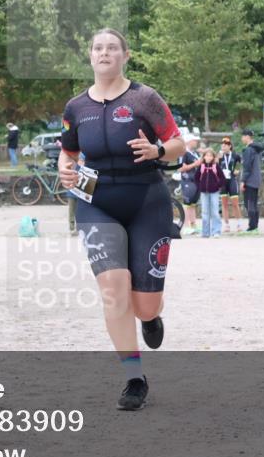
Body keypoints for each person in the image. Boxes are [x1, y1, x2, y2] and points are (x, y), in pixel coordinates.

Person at [57, 28, 185, 411]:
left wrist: (158, 149)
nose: (104, 53)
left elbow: (178, 142)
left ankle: (150, 318)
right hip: (96, 202)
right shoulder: (76, 107)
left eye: (112, 48)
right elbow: (68, 153)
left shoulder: (144, 98)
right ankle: (134, 378)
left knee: (144, 305)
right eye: (98, 47)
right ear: (90, 56)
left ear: (125, 55)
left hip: (147, 199)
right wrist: (67, 170)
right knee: (114, 289)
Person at [239, 129, 264, 235]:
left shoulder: (249, 150)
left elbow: (247, 167)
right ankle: (255, 226)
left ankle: (252, 227)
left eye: (243, 136)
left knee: (249, 203)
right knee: (253, 203)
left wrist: (243, 181)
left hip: (250, 180)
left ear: (247, 137)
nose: (241, 138)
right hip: (256, 179)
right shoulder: (256, 149)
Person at [196, 147, 224, 238]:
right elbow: (196, 178)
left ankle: (216, 231)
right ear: (204, 157)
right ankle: (205, 232)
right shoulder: (201, 167)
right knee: (205, 212)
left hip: (214, 192)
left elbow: (222, 178)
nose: (208, 157)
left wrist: (217, 186)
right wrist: (200, 186)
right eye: (206, 156)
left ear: (213, 157)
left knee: (215, 212)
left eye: (210, 156)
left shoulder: (216, 166)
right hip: (204, 192)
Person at [177, 134, 201, 235]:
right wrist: (194, 165)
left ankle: (193, 225)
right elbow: (180, 168)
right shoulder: (183, 153)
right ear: (189, 141)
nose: (196, 142)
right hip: (187, 181)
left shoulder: (195, 153)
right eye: (194, 140)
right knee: (187, 203)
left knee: (193, 204)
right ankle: (186, 226)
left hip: (196, 181)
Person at [219, 137, 243, 233]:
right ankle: (226, 225)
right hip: (223, 182)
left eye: (225, 145)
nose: (223, 147)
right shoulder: (219, 156)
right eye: (222, 145)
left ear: (230, 146)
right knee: (224, 204)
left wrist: (238, 171)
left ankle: (239, 224)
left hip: (232, 180)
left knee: (235, 204)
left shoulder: (235, 155)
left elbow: (244, 164)